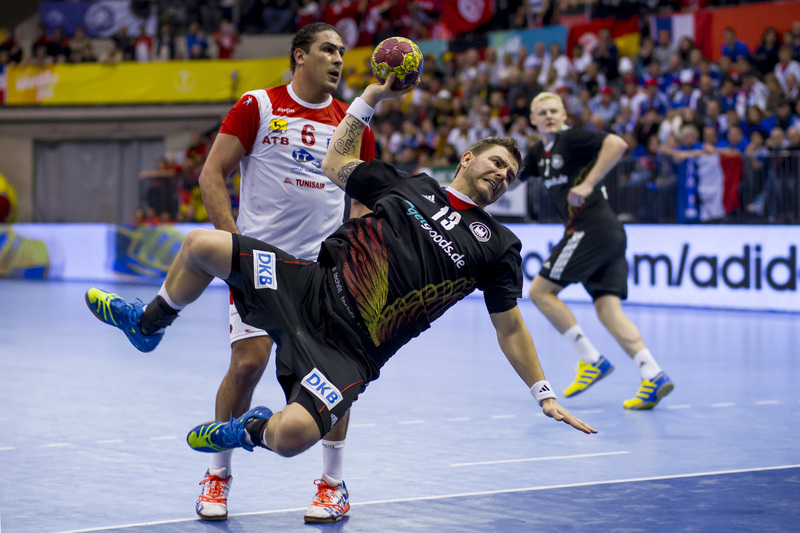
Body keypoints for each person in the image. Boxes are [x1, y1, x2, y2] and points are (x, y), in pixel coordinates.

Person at [85, 76, 597, 519]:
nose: (502, 175)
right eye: (497, 162)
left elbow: (510, 326)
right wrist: (371, 97)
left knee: (292, 437)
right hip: (307, 288)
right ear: (468, 158)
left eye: (510, 175)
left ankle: (252, 430)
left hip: (351, 351)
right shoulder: (408, 185)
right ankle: (149, 324)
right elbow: (335, 162)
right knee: (201, 245)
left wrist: (544, 393)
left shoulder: (500, 246)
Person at [144, 22, 373, 524]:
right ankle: (217, 474)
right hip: (262, 264)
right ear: (299, 55)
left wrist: (355, 260)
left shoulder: (352, 124)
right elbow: (212, 174)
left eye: (342, 52)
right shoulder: (258, 105)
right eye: (328, 50)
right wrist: (235, 251)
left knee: (332, 377)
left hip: (321, 274)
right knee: (248, 364)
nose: (339, 59)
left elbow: (361, 202)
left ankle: (332, 485)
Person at [520, 91, 674, 410]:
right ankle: (653, 374)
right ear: (533, 120)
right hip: (608, 233)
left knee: (540, 292)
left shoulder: (572, 138)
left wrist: (588, 183)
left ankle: (591, 359)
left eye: (554, 111)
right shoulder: (537, 153)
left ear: (564, 115)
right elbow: (512, 179)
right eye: (542, 112)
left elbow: (617, 144)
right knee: (607, 309)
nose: (549, 116)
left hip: (591, 226)